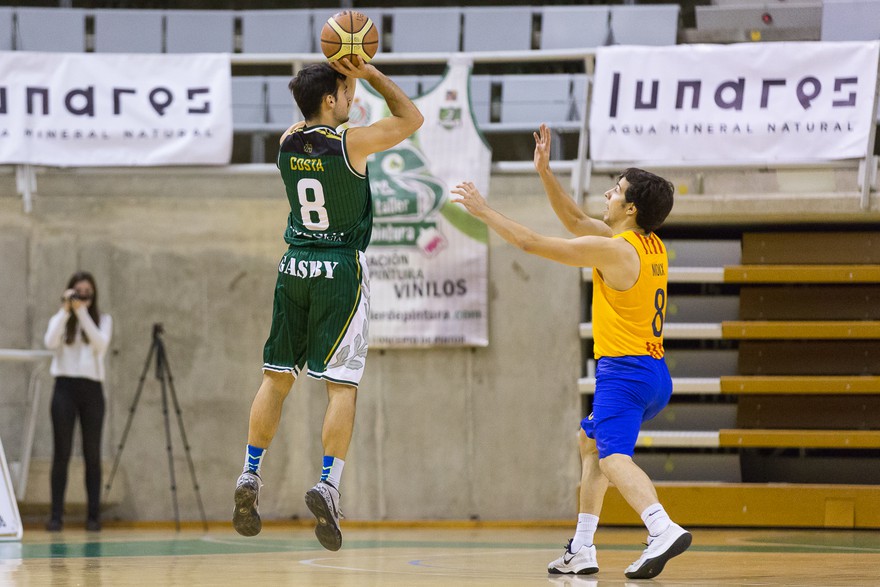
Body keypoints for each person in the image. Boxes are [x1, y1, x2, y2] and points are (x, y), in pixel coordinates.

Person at [452, 124, 690, 580]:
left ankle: (661, 527)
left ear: (630, 207)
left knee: (611, 457)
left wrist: (484, 210)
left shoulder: (617, 251)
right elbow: (578, 223)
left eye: (614, 190)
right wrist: (545, 173)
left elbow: (530, 243)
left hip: (624, 372)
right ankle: (582, 548)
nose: (606, 194)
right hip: (653, 372)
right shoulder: (648, 243)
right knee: (590, 442)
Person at [232, 56, 423, 551]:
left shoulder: (287, 141)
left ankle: (250, 472)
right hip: (338, 269)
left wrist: (337, 77)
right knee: (342, 386)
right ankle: (328, 484)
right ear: (329, 99)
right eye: (346, 90)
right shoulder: (353, 143)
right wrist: (371, 73)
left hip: (293, 265)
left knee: (275, 377)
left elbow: (307, 118)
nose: (353, 97)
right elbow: (411, 119)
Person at [43, 271, 113, 532]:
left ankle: (93, 517)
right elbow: (50, 341)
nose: (82, 296)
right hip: (64, 388)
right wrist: (65, 310)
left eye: (87, 292)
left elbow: (100, 344)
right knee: (61, 453)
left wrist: (82, 312)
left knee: (92, 454)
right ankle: (55, 516)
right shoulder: (61, 320)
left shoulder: (103, 320)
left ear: (93, 295)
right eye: (77, 291)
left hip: (92, 390)